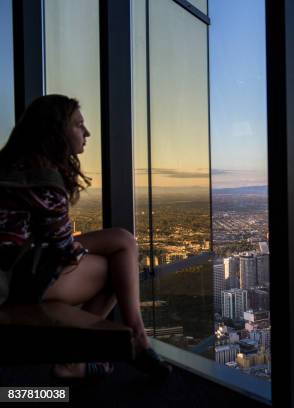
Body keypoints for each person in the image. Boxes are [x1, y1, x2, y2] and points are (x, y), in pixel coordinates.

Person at [0, 94, 170, 380]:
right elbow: (63, 249)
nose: (87, 133)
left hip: (14, 271)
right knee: (120, 268)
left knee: (123, 241)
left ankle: (132, 341)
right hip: (16, 280)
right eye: (79, 125)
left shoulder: (12, 168)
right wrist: (81, 250)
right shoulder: (42, 179)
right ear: (56, 132)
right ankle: (89, 356)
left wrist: (77, 246)